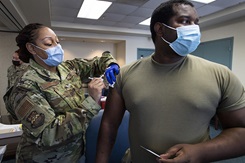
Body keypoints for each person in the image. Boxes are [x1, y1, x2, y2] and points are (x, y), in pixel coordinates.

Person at [95, 0, 245, 163]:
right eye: (185, 21)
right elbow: (109, 126)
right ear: (160, 29)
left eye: (196, 23)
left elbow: (241, 131)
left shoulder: (221, 75)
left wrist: (200, 152)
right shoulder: (125, 75)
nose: (194, 28)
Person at [3, 23, 119, 162]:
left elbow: (98, 62)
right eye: (48, 43)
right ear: (31, 48)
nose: (57, 47)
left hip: (75, 155)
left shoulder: (68, 68)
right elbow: (48, 135)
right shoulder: (25, 86)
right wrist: (91, 102)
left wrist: (111, 65)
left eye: (57, 42)